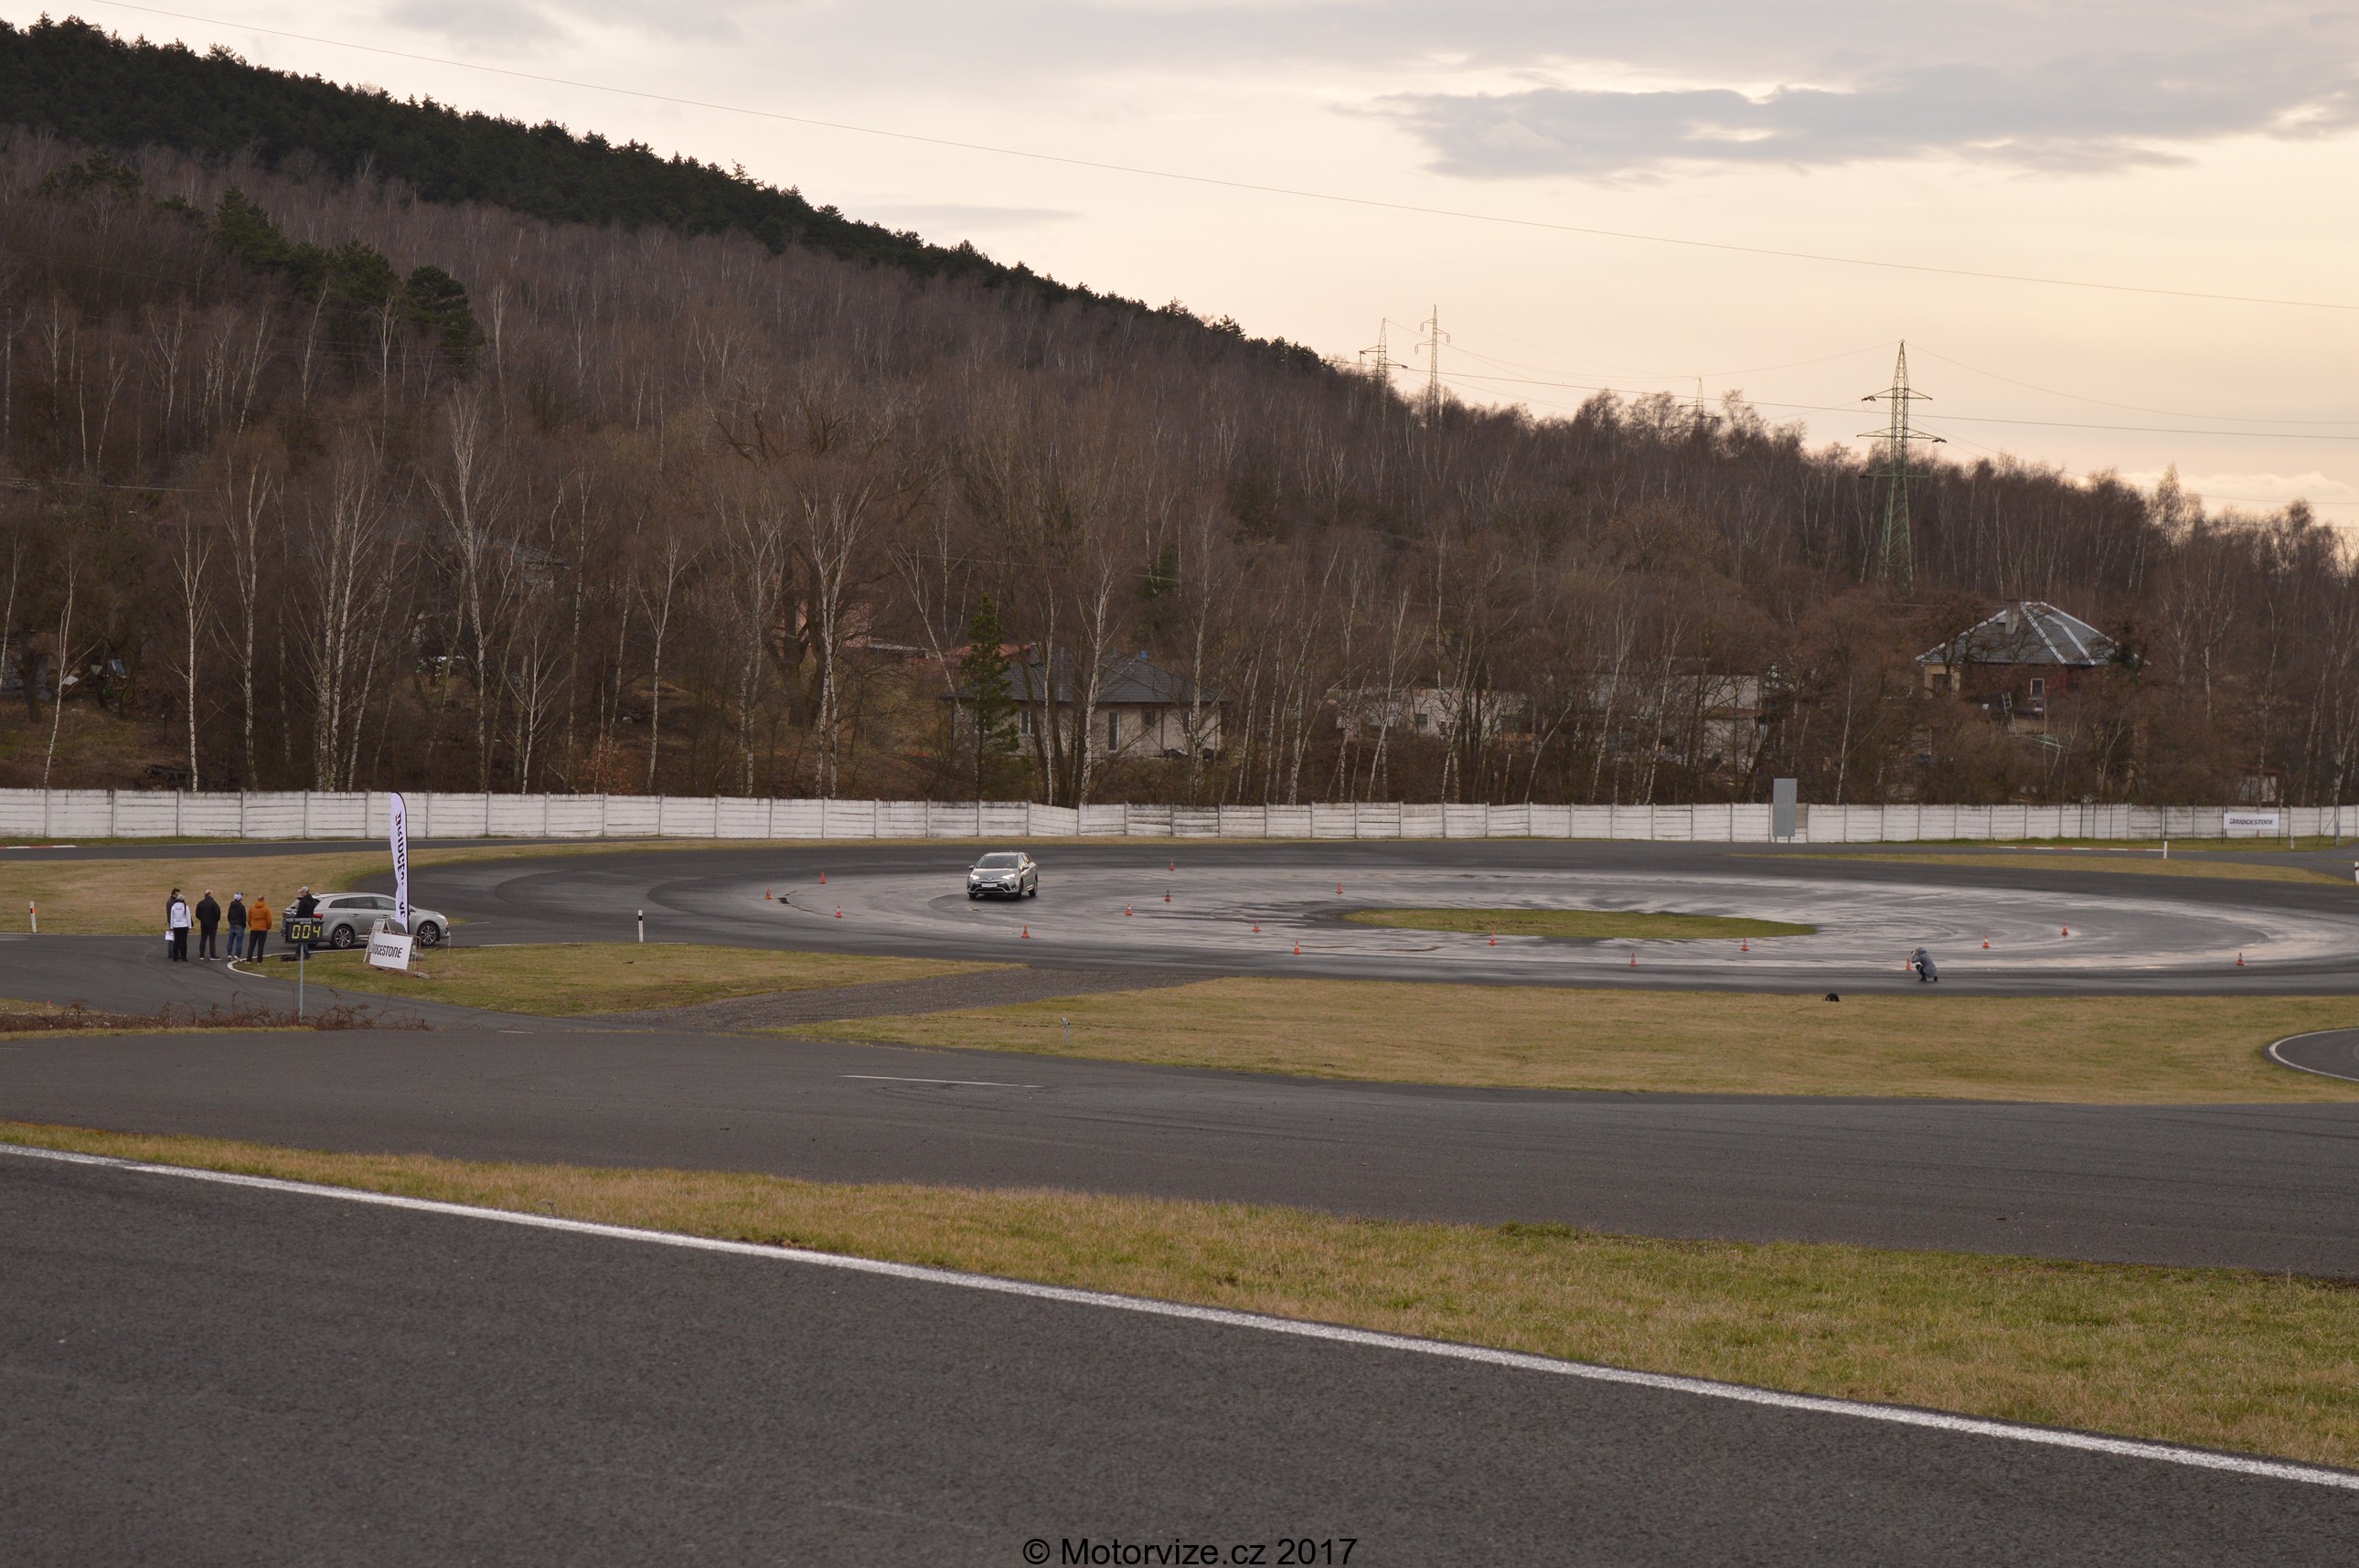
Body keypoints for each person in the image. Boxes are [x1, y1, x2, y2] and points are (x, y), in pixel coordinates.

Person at [195, 890, 221, 960]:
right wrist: (216, 920)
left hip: (203, 924)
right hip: (212, 924)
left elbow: (197, 914)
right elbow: (218, 913)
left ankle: (201, 954)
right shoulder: (214, 903)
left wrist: (202, 919)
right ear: (209, 894)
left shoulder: (200, 903)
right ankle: (212, 955)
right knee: (212, 940)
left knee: (203, 939)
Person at [246, 892, 272, 962]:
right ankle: (259, 960)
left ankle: (248, 959)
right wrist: (267, 927)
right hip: (263, 929)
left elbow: (248, 919)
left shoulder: (252, 908)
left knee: (251, 945)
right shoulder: (266, 909)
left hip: (254, 928)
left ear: (257, 899)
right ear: (263, 900)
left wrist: (251, 925)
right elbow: (269, 920)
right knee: (261, 946)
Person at [167, 890, 191, 962]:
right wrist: (189, 927)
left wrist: (171, 927)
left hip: (176, 926)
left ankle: (175, 956)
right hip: (184, 926)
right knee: (183, 942)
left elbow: (172, 917)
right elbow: (188, 917)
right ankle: (184, 956)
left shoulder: (173, 907)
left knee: (176, 941)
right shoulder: (185, 907)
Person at [225, 892, 246, 959]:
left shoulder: (231, 906)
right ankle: (237, 955)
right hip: (239, 925)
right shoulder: (241, 906)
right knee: (239, 941)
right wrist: (244, 925)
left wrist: (230, 922)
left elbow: (228, 915)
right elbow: (244, 917)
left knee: (230, 940)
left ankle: (229, 954)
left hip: (232, 924)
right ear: (240, 898)